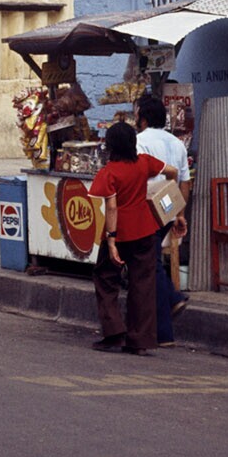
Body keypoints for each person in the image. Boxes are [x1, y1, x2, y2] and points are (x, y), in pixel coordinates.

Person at [89, 121, 177, 356]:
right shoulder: (144, 163)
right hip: (145, 230)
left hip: (120, 233)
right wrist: (167, 191)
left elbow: (112, 208)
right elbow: (172, 171)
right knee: (143, 285)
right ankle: (140, 340)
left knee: (106, 279)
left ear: (110, 145)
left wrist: (111, 240)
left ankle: (114, 332)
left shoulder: (108, 172)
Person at [136, 94, 190, 345]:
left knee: (151, 264)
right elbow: (185, 182)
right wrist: (179, 213)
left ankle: (166, 320)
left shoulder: (140, 141)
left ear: (143, 119)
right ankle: (169, 303)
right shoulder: (177, 143)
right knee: (152, 260)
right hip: (169, 205)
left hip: (149, 206)